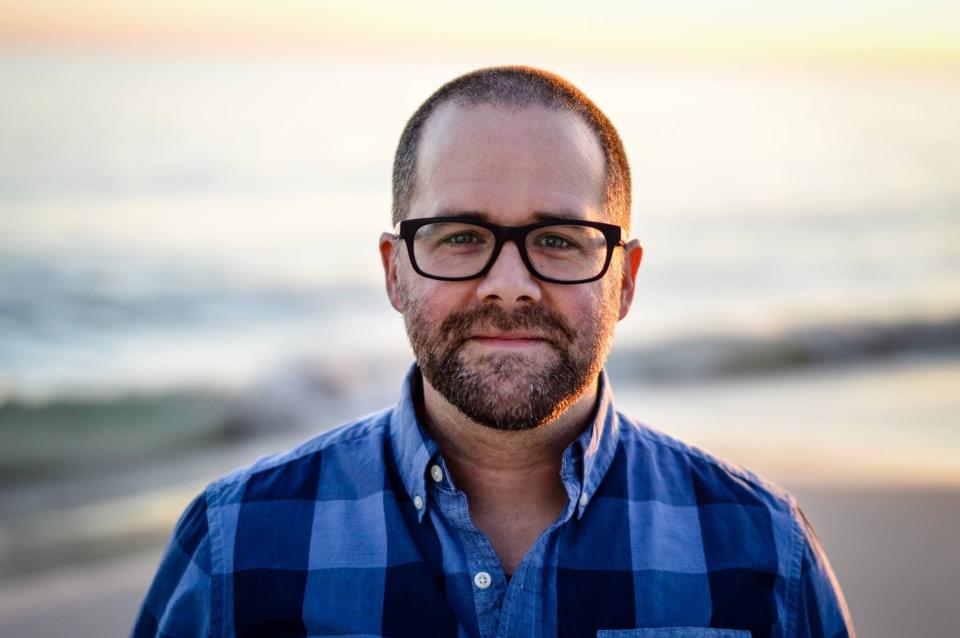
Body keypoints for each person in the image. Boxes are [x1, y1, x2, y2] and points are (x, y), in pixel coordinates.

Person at [132, 66, 855, 638]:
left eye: (558, 241)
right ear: (394, 270)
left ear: (625, 280)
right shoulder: (237, 545)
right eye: (461, 237)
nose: (509, 288)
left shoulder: (762, 550)